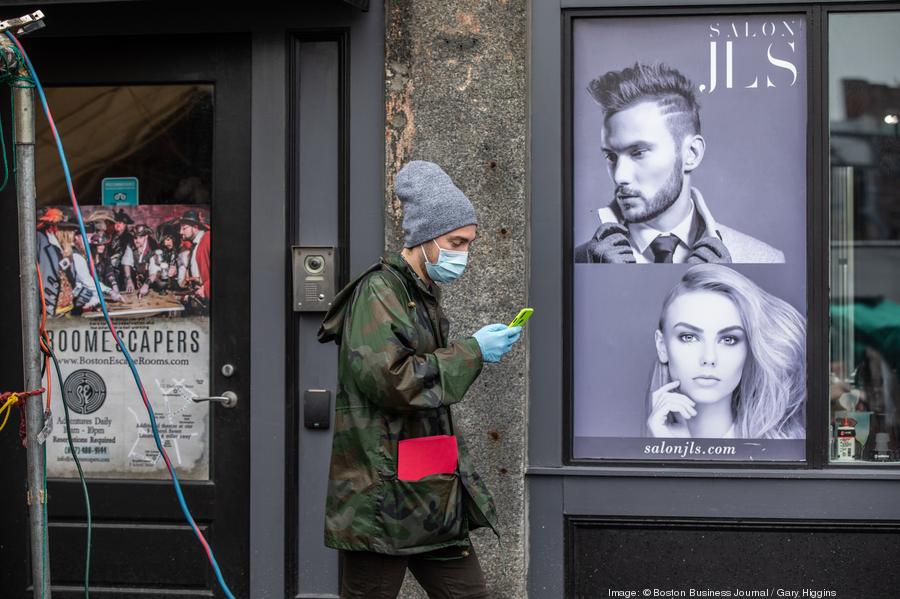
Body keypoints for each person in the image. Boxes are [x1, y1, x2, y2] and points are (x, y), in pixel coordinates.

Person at [317, 160, 523, 598]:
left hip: (429, 488)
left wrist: (472, 352)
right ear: (425, 238)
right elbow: (391, 381)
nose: (463, 254)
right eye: (455, 242)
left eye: (468, 243)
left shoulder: (419, 294)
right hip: (383, 494)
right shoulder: (380, 291)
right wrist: (473, 351)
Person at [574, 63, 785, 264]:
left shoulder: (763, 258)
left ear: (692, 154)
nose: (620, 176)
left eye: (638, 153)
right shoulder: (578, 260)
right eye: (611, 157)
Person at [646, 264, 805, 439]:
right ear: (662, 346)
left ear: (749, 349)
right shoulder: (652, 440)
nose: (709, 358)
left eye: (728, 340)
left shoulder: (785, 447)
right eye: (689, 337)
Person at [178, 210, 211, 300]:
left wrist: (206, 289)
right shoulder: (195, 243)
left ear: (195, 227)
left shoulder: (208, 238)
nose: (181, 232)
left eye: (184, 228)